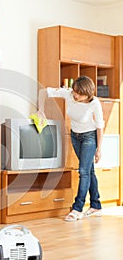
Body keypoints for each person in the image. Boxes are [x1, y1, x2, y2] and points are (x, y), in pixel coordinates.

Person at [37, 76, 104, 222]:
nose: (75, 96)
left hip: (90, 137)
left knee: (84, 171)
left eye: (79, 94)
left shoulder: (95, 103)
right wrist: (40, 110)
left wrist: (99, 149)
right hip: (75, 136)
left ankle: (77, 208)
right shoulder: (68, 93)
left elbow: (99, 127)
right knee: (89, 171)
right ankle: (96, 204)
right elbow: (43, 92)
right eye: (74, 92)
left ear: (88, 94)